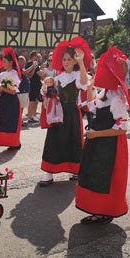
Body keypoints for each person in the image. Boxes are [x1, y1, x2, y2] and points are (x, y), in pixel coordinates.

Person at [75, 46, 130, 225]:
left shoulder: (117, 98)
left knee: (104, 177)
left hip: (110, 144)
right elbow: (91, 105)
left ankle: (103, 211)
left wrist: (97, 134)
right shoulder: (105, 93)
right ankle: (97, 208)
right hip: (98, 140)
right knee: (93, 174)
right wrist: (90, 85)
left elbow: (122, 128)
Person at [40, 36, 91, 187]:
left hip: (72, 113)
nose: (66, 62)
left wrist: (81, 62)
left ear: (74, 61)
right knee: (53, 140)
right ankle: (49, 173)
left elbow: (83, 82)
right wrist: (46, 87)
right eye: (64, 59)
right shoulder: (58, 77)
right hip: (58, 113)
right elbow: (49, 92)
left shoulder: (77, 75)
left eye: (69, 59)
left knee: (73, 141)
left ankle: (74, 170)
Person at [0, 48, 22, 150]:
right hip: (4, 100)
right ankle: (6, 141)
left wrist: (2, 88)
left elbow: (13, 91)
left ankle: (14, 142)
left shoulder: (14, 74)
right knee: (3, 120)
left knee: (11, 122)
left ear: (11, 62)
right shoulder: (5, 73)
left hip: (11, 100)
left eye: (4, 61)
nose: (3, 63)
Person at [25, 51, 42, 123]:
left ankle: (33, 115)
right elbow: (32, 75)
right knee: (32, 101)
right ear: (33, 56)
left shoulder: (34, 64)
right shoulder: (30, 64)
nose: (37, 58)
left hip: (36, 84)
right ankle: (29, 116)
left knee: (35, 100)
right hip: (32, 84)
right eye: (36, 56)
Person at [18, 56, 30, 122]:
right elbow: (25, 72)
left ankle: (20, 120)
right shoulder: (18, 68)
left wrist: (34, 68)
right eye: (22, 61)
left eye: (24, 61)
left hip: (25, 90)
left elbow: (29, 75)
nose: (24, 63)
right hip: (21, 90)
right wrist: (33, 66)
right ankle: (19, 120)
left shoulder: (23, 67)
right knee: (20, 106)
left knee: (22, 106)